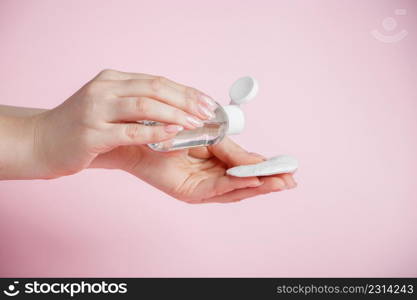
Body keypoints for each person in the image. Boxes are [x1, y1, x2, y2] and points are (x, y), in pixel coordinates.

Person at [0, 69, 297, 203]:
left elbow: (47, 134)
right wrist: (38, 140)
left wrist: (125, 151)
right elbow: (42, 137)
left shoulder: (208, 130)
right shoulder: (215, 124)